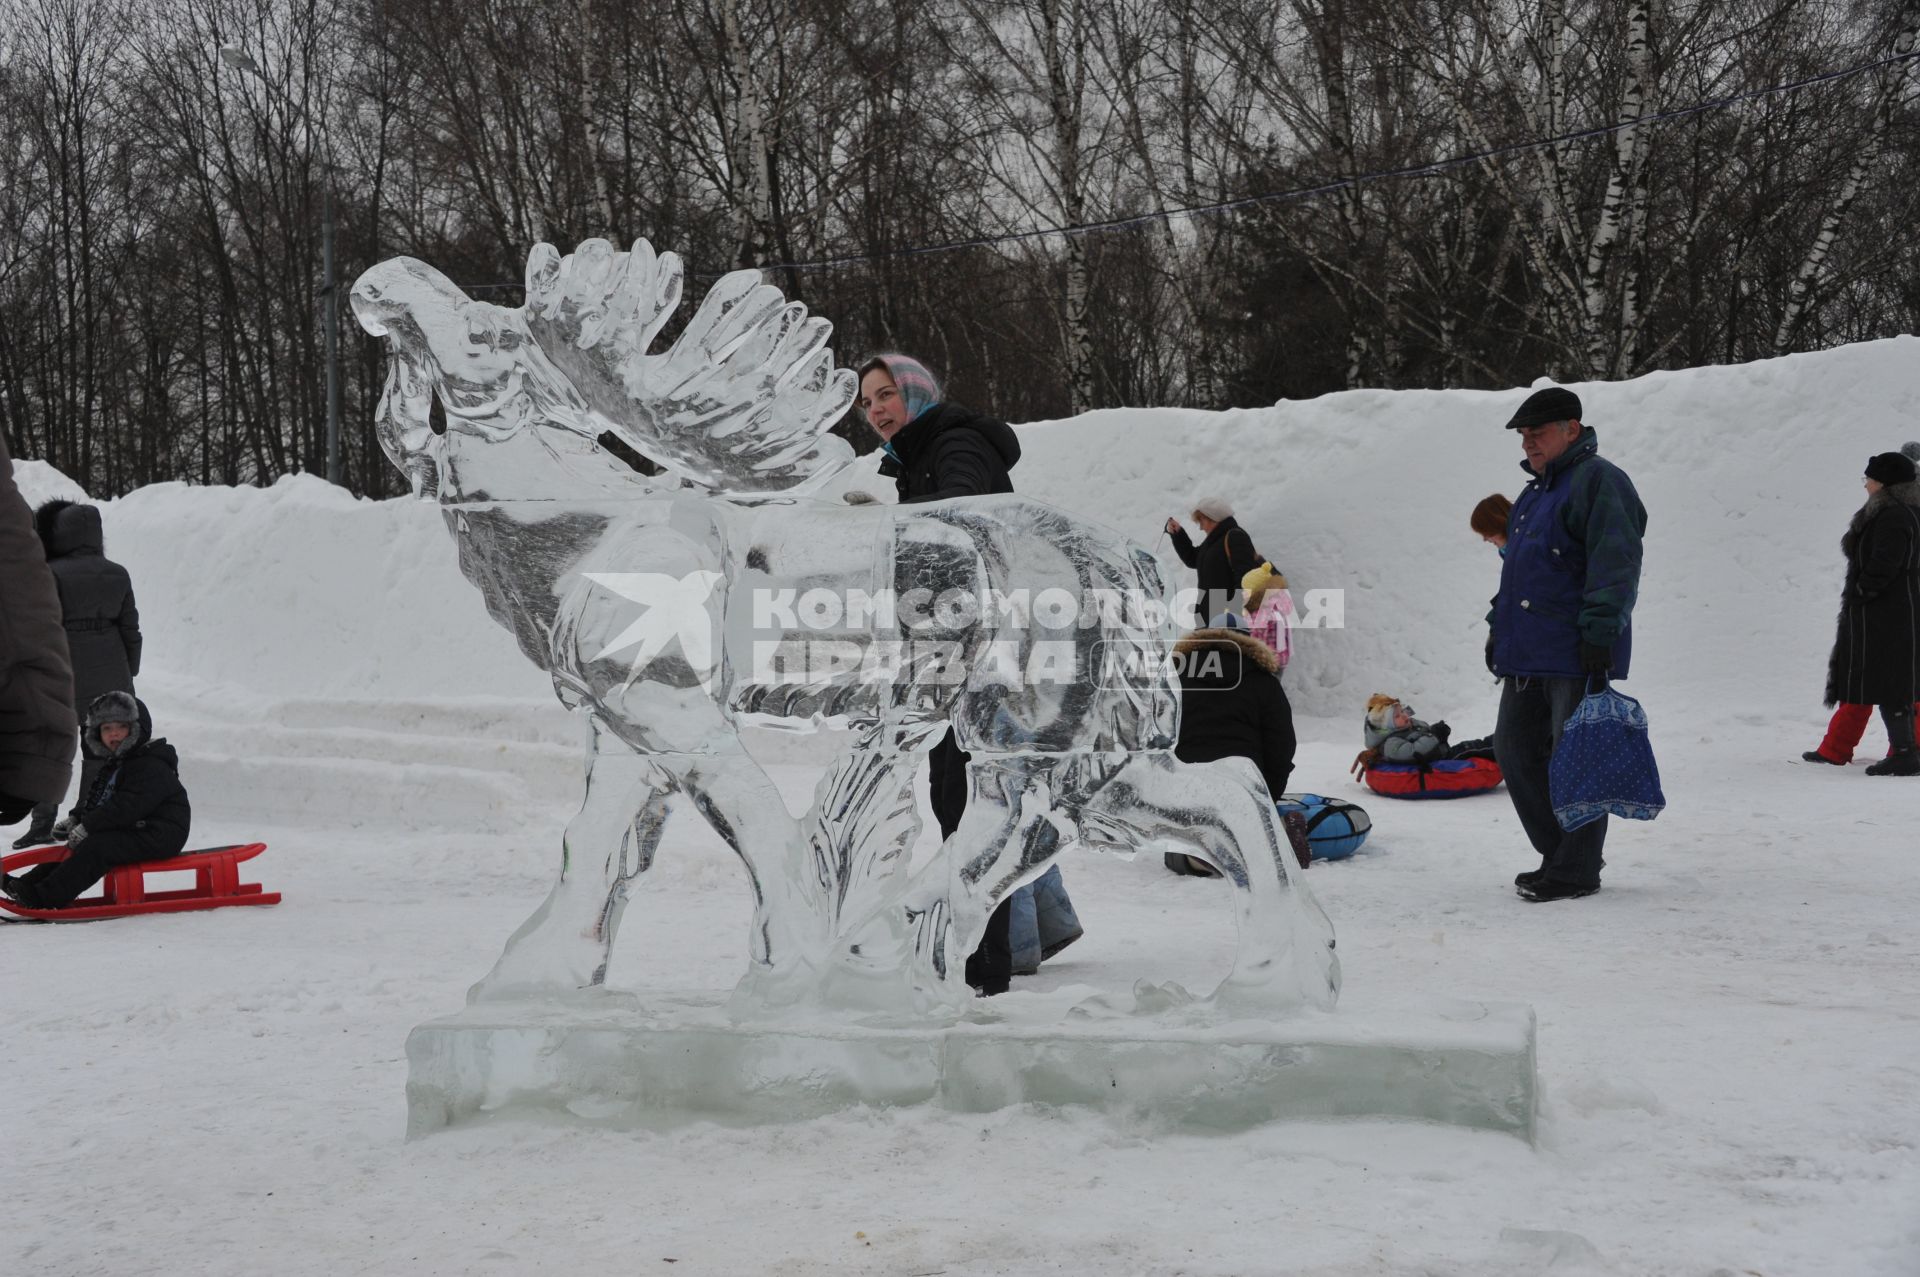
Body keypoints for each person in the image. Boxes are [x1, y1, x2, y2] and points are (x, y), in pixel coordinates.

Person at [858, 352, 1075, 992]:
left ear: (918, 394)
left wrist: (886, 526)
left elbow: (962, 521)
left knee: (970, 802)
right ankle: (1030, 936)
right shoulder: (917, 455)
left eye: (887, 394)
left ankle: (987, 967)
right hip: (961, 653)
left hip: (991, 657)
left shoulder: (955, 445)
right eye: (868, 400)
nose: (876, 409)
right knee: (981, 799)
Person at [1487, 385, 1647, 902]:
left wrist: (1600, 634)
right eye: (1524, 436)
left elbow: (1615, 564)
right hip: (1526, 653)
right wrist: (1498, 629)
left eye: (1538, 433)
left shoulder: (1602, 482)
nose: (1528, 443)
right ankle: (1563, 855)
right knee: (1513, 752)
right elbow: (1518, 576)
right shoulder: (1533, 496)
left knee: (1575, 761)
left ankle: (1575, 869)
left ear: (1571, 430)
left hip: (1575, 653)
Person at [13, 499, 143, 849]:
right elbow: (131, 629)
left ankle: (42, 824)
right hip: (112, 674)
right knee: (99, 752)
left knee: (52, 748)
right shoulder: (119, 573)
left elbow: (41, 627)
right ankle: (84, 822)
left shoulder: (51, 573)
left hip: (64, 673)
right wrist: (129, 672)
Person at [1, 692, 189, 910]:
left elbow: (126, 807)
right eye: (106, 728)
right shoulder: (116, 764)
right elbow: (102, 801)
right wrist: (78, 819)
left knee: (97, 848)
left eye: (121, 727)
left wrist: (89, 825)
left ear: (137, 728)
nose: (114, 734)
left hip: (160, 833)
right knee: (75, 846)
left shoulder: (150, 765)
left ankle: (45, 897)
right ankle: (26, 885)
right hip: (135, 829)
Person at [1804, 441, 1920, 766]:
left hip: (1885, 613)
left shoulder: (1893, 515)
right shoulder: (1899, 511)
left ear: (1884, 483)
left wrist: (1862, 591)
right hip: (1889, 611)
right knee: (1872, 679)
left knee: (1888, 680)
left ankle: (1904, 753)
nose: (1866, 484)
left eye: (1869, 478)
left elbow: (1886, 562)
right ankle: (1840, 749)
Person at [1164, 619, 1296, 876]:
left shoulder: (1172, 678)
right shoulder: (1263, 681)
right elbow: (1281, 746)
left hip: (1184, 788)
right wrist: (1268, 799)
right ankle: (1270, 836)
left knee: (1179, 850)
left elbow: (1154, 736)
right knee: (1243, 831)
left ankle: (1196, 854)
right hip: (1242, 788)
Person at [0, 434, 78, 831]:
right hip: (72, 673)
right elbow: (22, 613)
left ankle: (48, 823)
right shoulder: (116, 574)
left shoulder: (58, 571)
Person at [1165, 499, 1259, 627]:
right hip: (1208, 616)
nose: (1201, 527)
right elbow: (1193, 559)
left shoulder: (1235, 537)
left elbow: (1246, 579)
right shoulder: (1214, 542)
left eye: (1201, 521)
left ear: (1213, 517)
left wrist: (1233, 614)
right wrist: (1178, 534)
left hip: (1226, 620)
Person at [1240, 560, 1295, 673]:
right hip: (1280, 658)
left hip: (1266, 663)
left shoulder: (1263, 613)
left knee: (1263, 689)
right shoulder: (1278, 601)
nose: (1243, 593)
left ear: (1257, 592)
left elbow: (1254, 641)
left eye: (1246, 590)